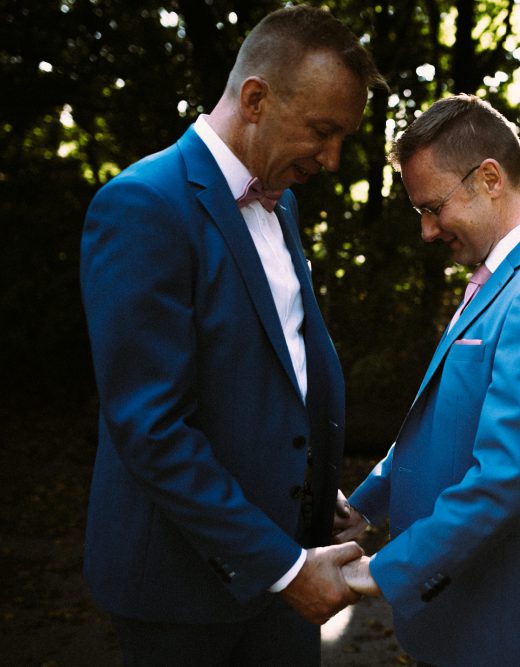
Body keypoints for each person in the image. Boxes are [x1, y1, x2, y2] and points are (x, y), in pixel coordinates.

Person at [79, 6, 384, 664]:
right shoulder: (142, 205)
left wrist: (311, 482)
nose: (331, 160)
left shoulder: (284, 198)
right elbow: (151, 427)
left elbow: (271, 365)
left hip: (285, 561)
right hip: (181, 590)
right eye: (323, 132)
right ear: (255, 98)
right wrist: (283, 567)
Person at [336, 94, 520, 666]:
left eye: (433, 207)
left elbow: (507, 475)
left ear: (489, 177)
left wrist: (375, 574)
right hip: (459, 612)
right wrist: (365, 508)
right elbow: (444, 423)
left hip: (499, 624)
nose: (428, 231)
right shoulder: (503, 277)